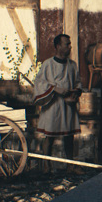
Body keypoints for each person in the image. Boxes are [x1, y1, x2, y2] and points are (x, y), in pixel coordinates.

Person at [33, 34, 81, 165]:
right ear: (58, 46)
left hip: (68, 105)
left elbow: (77, 82)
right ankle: (46, 165)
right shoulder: (48, 64)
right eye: (67, 44)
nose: (69, 47)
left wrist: (76, 92)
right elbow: (39, 83)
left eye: (70, 44)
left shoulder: (72, 65)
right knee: (50, 136)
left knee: (69, 137)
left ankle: (70, 165)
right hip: (53, 105)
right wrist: (55, 89)